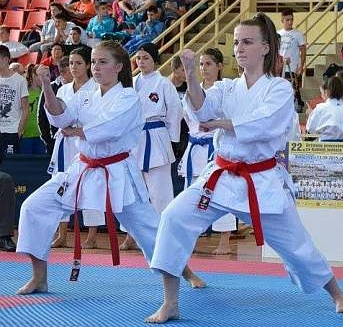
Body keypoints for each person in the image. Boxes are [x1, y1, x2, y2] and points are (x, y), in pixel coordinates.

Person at [145, 13, 343, 323]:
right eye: (236, 42)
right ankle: (170, 302)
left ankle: (337, 293)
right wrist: (190, 74)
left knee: (297, 246)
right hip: (220, 177)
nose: (239, 48)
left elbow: (264, 124)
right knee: (174, 217)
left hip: (261, 180)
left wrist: (220, 124)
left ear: (266, 47)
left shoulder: (279, 89)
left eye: (247, 42)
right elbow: (202, 109)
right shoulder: (228, 87)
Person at [15, 40, 203, 295]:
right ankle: (39, 277)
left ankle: (182, 277)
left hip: (117, 173)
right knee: (34, 207)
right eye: (93, 62)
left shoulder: (128, 97)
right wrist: (47, 85)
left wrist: (75, 131)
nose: (96, 67)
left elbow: (108, 128)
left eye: (102, 62)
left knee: (151, 231)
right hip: (82, 169)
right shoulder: (85, 95)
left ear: (118, 67)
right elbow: (61, 116)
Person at [177, 48, 244, 255]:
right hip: (194, 146)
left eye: (208, 64)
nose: (204, 68)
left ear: (219, 66)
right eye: (201, 64)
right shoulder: (192, 91)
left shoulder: (226, 91)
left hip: (215, 147)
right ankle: (191, 238)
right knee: (192, 194)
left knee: (221, 192)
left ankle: (224, 241)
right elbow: (186, 119)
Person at [120, 42, 181, 251]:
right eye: (138, 58)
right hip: (135, 138)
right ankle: (131, 235)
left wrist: (172, 139)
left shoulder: (164, 84)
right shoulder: (131, 83)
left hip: (156, 136)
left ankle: (164, 235)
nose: (141, 62)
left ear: (155, 60)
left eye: (146, 58)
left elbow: (175, 111)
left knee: (160, 191)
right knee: (133, 191)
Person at [46, 47, 105, 249]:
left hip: (86, 142)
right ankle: (62, 233)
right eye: (71, 63)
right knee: (62, 185)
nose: (73, 67)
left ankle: (92, 236)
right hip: (65, 142)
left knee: (91, 187)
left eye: (78, 63)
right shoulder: (63, 90)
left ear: (88, 65)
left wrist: (78, 130)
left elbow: (99, 119)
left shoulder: (97, 88)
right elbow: (55, 116)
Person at [306, 76, 343, 141]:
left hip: (325, 144)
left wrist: (311, 115)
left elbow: (311, 128)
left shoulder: (320, 108)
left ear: (326, 91)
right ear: (342, 91)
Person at [0, 44, 29, 160]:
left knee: (10, 165)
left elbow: (26, 109)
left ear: (6, 59)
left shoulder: (20, 81)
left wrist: (19, 131)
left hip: (12, 132)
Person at [278, 9, 306, 112]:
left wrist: (301, 66)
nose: (290, 22)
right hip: (279, 66)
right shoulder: (278, 34)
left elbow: (303, 51)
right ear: (282, 20)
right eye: (287, 20)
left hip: (292, 66)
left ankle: (297, 105)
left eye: (291, 19)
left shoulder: (298, 34)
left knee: (292, 87)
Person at [18, 64, 45, 154]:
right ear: (34, 75)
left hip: (41, 136)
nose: (44, 78)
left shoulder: (45, 93)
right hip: (25, 135)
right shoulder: (24, 91)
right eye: (41, 75)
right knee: (25, 162)